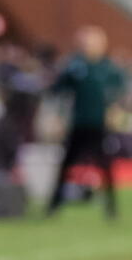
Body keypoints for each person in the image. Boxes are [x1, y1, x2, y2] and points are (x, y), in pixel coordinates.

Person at [47, 25, 127, 218]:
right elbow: (58, 90)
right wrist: (58, 116)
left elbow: (120, 92)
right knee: (66, 164)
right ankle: (54, 205)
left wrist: (116, 110)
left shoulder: (109, 68)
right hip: (79, 123)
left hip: (100, 125)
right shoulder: (76, 66)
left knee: (106, 166)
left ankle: (111, 208)